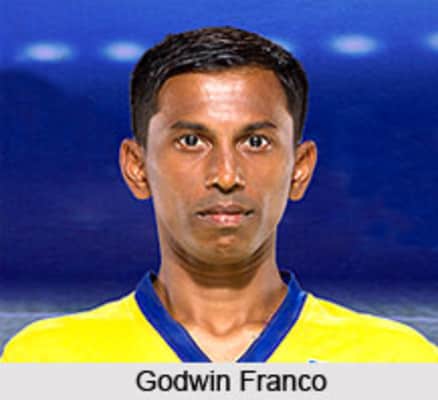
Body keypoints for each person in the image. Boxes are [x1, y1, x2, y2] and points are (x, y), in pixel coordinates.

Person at [1, 26, 437, 362]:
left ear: (300, 169)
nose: (226, 175)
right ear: (137, 167)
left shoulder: (396, 364)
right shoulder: (46, 362)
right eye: (192, 141)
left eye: (256, 142)